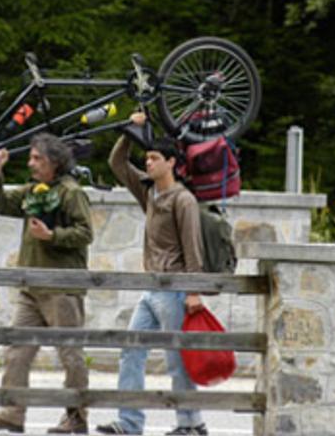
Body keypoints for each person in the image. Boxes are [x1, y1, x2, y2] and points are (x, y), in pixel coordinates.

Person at [0, 133, 94, 435]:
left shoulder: (71, 192)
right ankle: (13, 413)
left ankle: (76, 417)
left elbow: (85, 233)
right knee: (16, 351)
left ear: (55, 161)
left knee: (70, 355)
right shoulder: (32, 191)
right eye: (31, 157)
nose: (31, 163)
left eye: (37, 158)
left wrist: (52, 236)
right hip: (30, 286)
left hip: (61, 287)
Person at [96, 113, 208, 436]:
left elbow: (192, 248)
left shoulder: (183, 200)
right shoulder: (148, 193)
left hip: (174, 290)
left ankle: (192, 424)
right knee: (131, 350)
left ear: (171, 162)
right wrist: (130, 131)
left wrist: (194, 291)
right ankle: (130, 423)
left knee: (176, 360)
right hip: (149, 290)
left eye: (154, 158)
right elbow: (116, 163)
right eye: (146, 158)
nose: (148, 163)